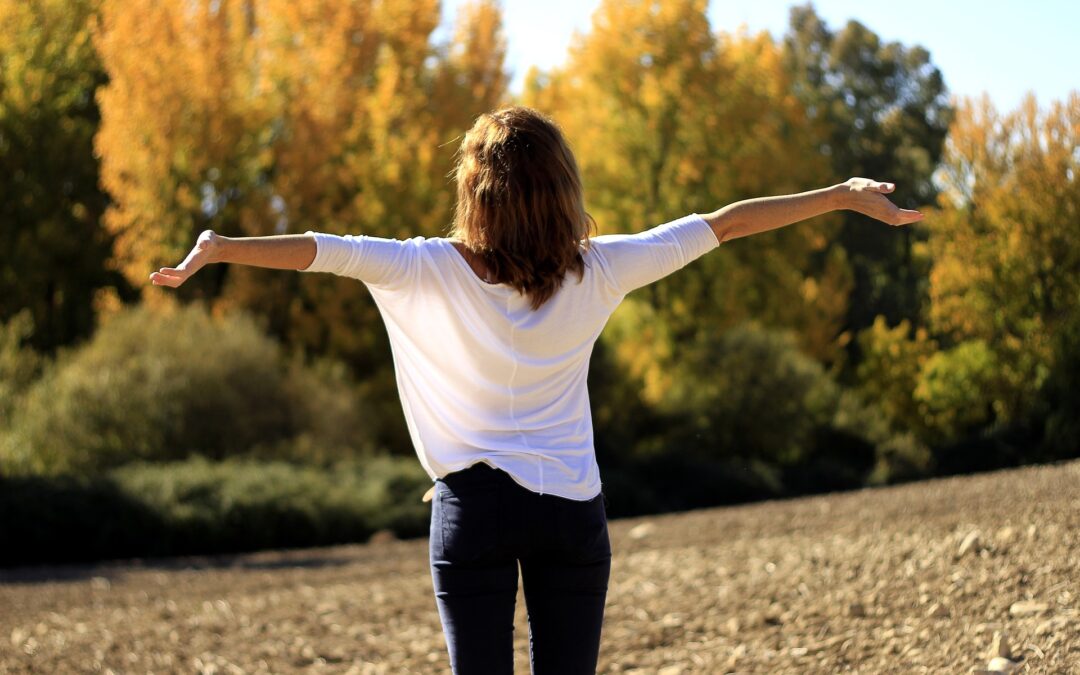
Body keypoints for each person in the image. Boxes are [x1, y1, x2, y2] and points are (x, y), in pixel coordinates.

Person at [148, 106, 922, 674]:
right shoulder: (602, 267)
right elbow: (722, 225)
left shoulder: (425, 266)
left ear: (474, 193)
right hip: (572, 510)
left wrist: (219, 249)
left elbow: (320, 251)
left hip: (473, 513)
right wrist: (839, 193)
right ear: (562, 189)